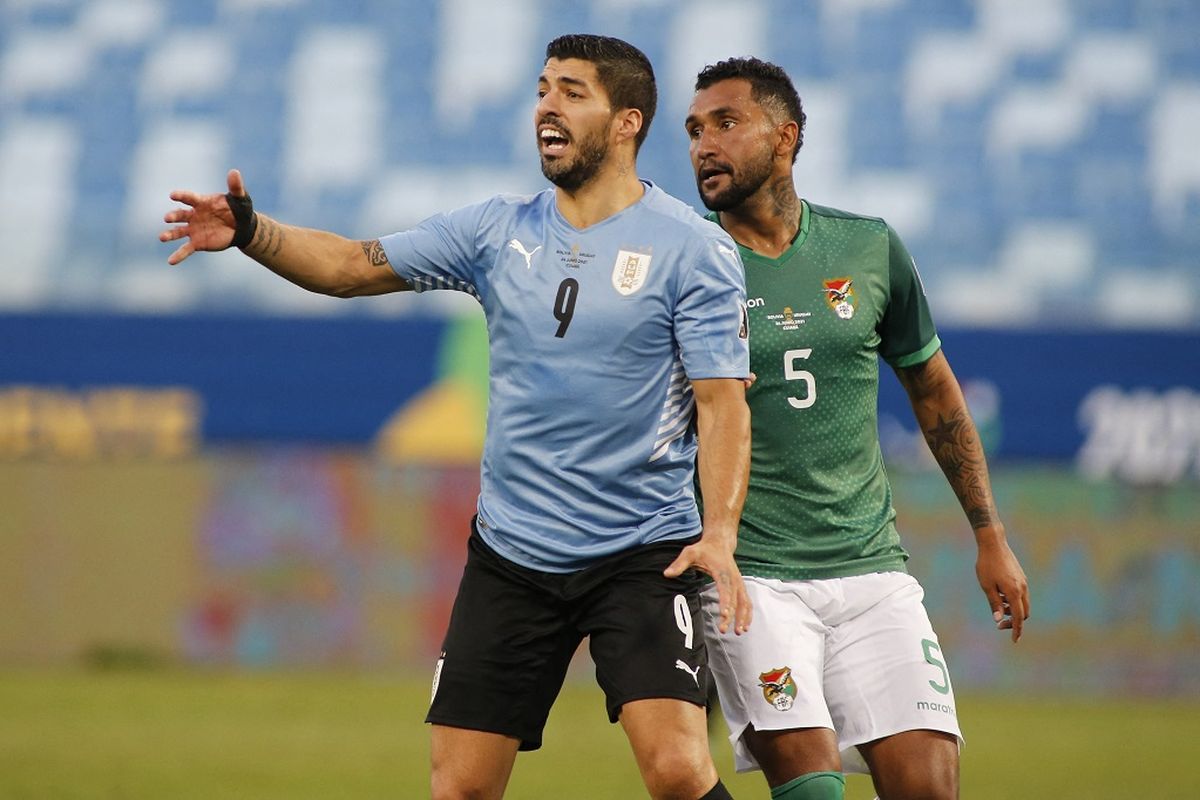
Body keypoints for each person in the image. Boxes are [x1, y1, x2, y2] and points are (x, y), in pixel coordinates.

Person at [161, 34, 752, 800]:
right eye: (543, 88)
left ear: (628, 120)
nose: (547, 104)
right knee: (460, 788)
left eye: (573, 91)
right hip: (514, 552)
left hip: (641, 552)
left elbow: (723, 402)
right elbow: (348, 266)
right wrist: (251, 232)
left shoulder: (691, 249)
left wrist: (720, 534)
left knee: (676, 769)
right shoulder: (495, 230)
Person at [683, 57, 1032, 800]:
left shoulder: (868, 247)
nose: (702, 145)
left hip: (872, 573)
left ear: (786, 137)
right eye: (692, 130)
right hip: (756, 580)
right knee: (813, 789)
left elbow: (934, 393)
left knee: (930, 790)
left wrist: (990, 535)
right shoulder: (686, 263)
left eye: (725, 123)